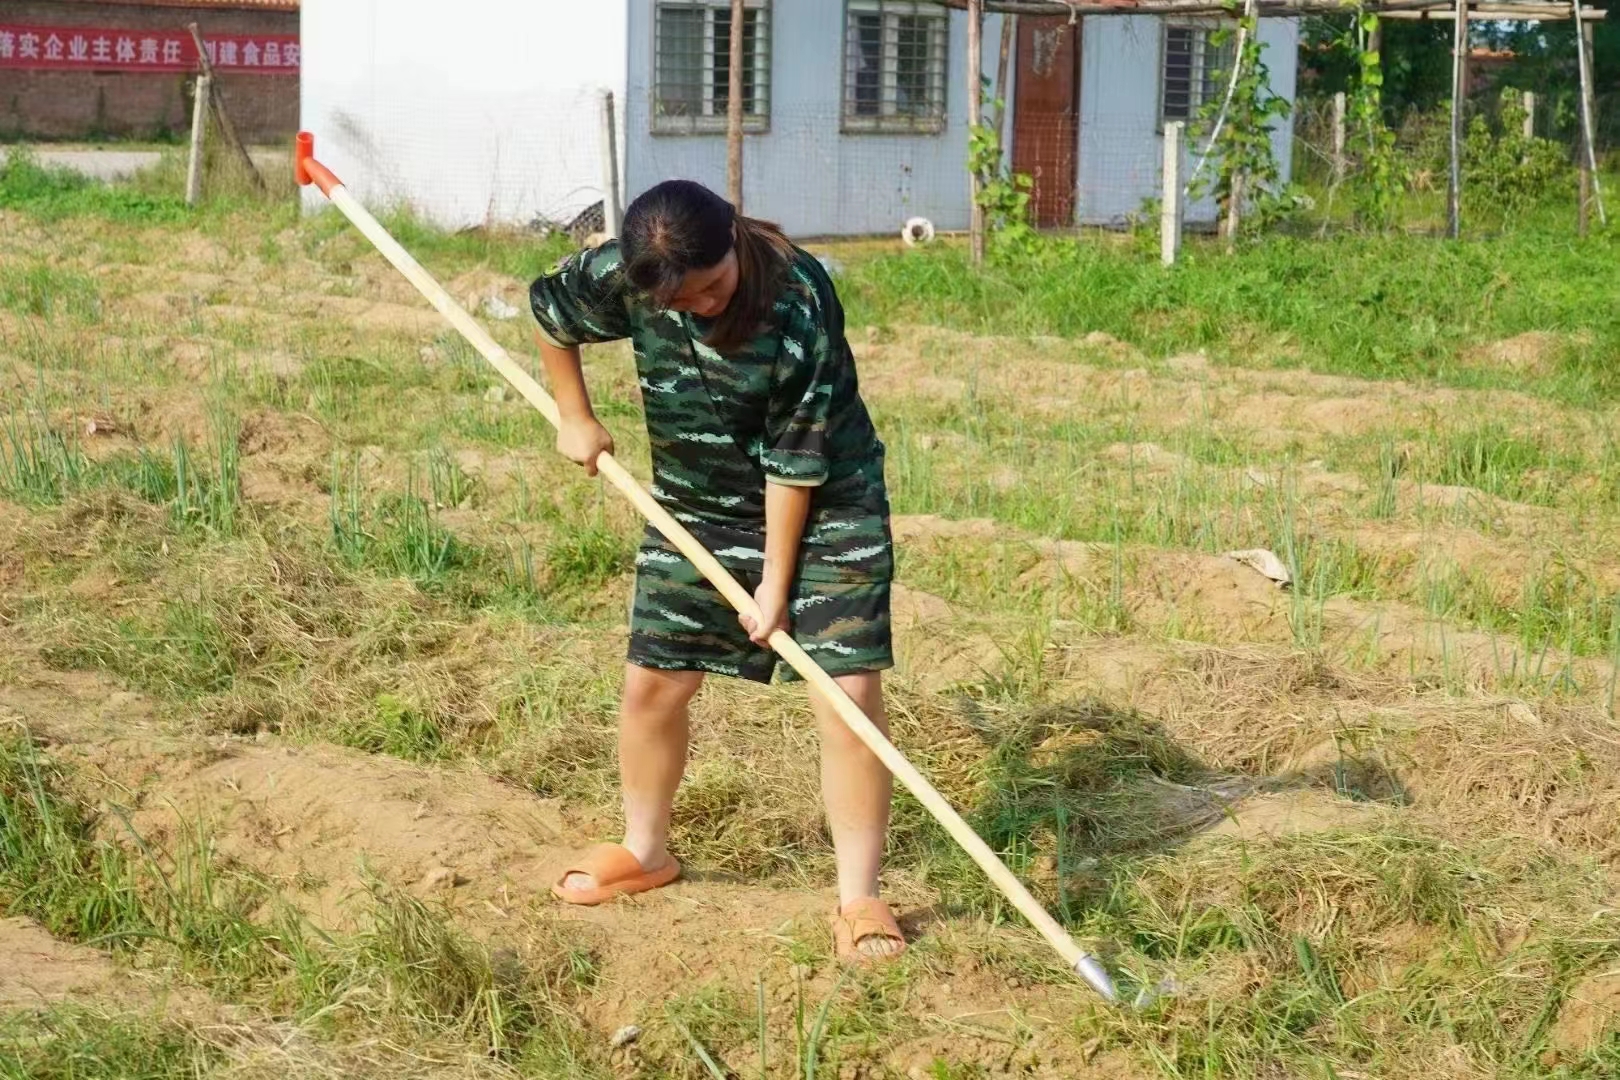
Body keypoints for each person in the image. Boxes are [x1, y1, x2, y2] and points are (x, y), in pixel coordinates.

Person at [528, 180, 903, 960]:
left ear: (733, 240)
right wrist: (574, 414)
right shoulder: (629, 273)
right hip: (695, 501)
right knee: (653, 681)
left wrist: (774, 587)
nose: (699, 305)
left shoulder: (796, 296)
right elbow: (549, 310)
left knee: (848, 692)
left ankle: (859, 898)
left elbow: (797, 455)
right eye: (680, 301)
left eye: (712, 288)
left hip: (827, 497)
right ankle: (645, 850)